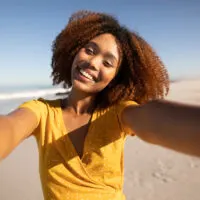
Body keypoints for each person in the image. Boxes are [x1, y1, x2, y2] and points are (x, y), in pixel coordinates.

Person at [0, 10, 199, 200]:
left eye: (108, 63)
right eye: (89, 50)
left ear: (116, 78)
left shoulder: (118, 114)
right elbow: (11, 127)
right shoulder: (42, 112)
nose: (93, 63)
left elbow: (152, 119)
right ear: (73, 50)